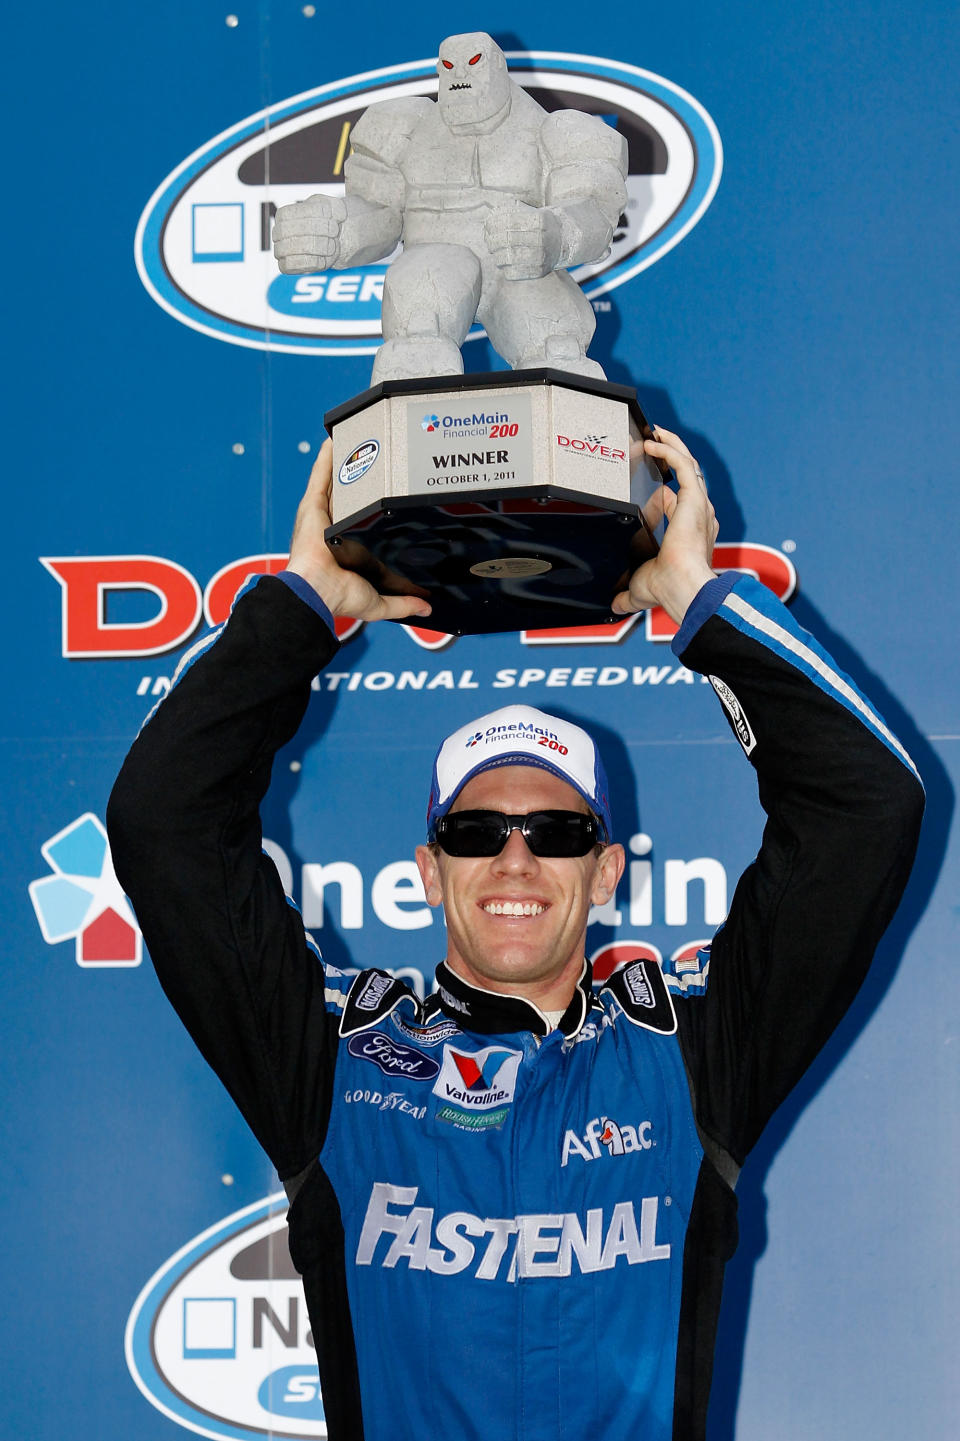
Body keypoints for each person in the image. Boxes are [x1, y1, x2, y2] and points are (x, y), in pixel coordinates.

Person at [107, 428, 923, 1441]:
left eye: (559, 832)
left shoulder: (697, 1049)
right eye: (476, 831)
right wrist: (301, 608)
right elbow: (161, 820)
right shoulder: (329, 1054)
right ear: (428, 870)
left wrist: (703, 603)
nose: (516, 860)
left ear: (605, 870)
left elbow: (869, 808)